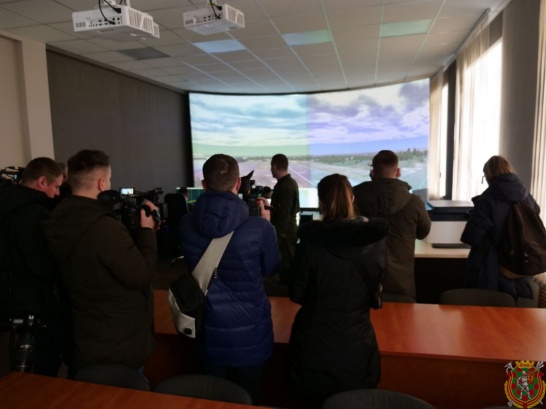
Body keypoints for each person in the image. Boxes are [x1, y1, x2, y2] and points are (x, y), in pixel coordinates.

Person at [42, 149, 159, 373]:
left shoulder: (59, 217)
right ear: (102, 183)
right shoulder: (104, 227)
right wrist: (147, 231)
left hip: (83, 331)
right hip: (117, 339)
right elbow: (141, 275)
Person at [179, 154, 279, 403]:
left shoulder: (186, 223)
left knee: (212, 398)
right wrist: (268, 226)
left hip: (207, 329)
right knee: (248, 397)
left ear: (204, 184)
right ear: (238, 183)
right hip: (250, 332)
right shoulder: (261, 228)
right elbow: (271, 269)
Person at [288, 173, 389, 409]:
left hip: (313, 343)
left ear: (321, 203)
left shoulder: (311, 242)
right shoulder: (375, 241)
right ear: (352, 199)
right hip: (358, 341)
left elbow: (296, 294)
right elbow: (376, 289)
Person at [0, 157, 65, 376]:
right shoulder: (35, 213)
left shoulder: (6, 202)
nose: (57, 193)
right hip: (33, 301)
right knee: (45, 362)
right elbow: (42, 265)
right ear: (42, 182)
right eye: (56, 186)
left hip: (6, 298)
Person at [353, 150, 431, 300]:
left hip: (363, 281)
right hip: (401, 283)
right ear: (398, 172)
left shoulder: (354, 199)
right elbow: (423, 233)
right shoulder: (414, 202)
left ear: (372, 173)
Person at [461, 155, 538, 300]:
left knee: (486, 308)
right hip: (519, 263)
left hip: (490, 266)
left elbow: (472, 237)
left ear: (489, 175)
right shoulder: (527, 197)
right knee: (511, 309)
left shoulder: (486, 200)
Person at [270, 154, 300, 285]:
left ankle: (285, 290)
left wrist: (278, 238)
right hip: (288, 231)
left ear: (274, 166)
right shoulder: (288, 183)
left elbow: (283, 215)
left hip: (285, 234)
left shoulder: (285, 186)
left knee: (286, 265)